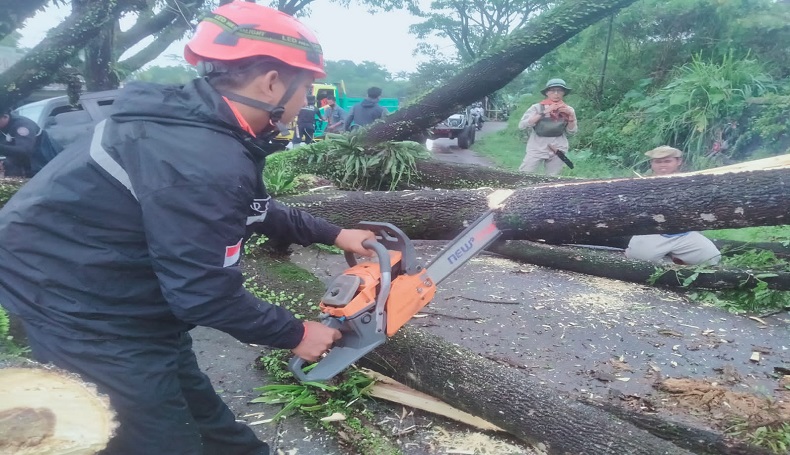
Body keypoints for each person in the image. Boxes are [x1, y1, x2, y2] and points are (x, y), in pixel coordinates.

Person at [0, 3, 376, 454]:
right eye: (307, 86)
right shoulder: (197, 156)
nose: (306, 101)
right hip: (79, 307)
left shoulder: (201, 127)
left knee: (202, 412)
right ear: (273, 81)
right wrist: (296, 333)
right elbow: (202, 292)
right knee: (160, 440)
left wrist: (335, 234)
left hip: (127, 296)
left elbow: (252, 206)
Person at [625, 146, 721, 265]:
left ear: (678, 161)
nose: (662, 165)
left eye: (667, 161)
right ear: (652, 163)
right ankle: (641, 252)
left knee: (711, 258)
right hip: (652, 232)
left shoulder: (690, 182)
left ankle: (676, 256)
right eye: (658, 162)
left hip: (684, 233)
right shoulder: (643, 184)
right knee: (639, 259)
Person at [517, 78, 578, 176]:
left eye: (560, 90)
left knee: (553, 178)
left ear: (564, 93)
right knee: (524, 174)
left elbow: (572, 131)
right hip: (536, 146)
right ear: (547, 93)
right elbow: (522, 125)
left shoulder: (568, 109)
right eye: (553, 90)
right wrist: (545, 112)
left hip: (559, 147)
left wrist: (570, 117)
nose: (556, 94)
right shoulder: (536, 107)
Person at [0, 109, 62, 177]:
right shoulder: (3, 125)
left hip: (41, 166)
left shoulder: (23, 125)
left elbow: (24, 150)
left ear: (5, 116)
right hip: (21, 168)